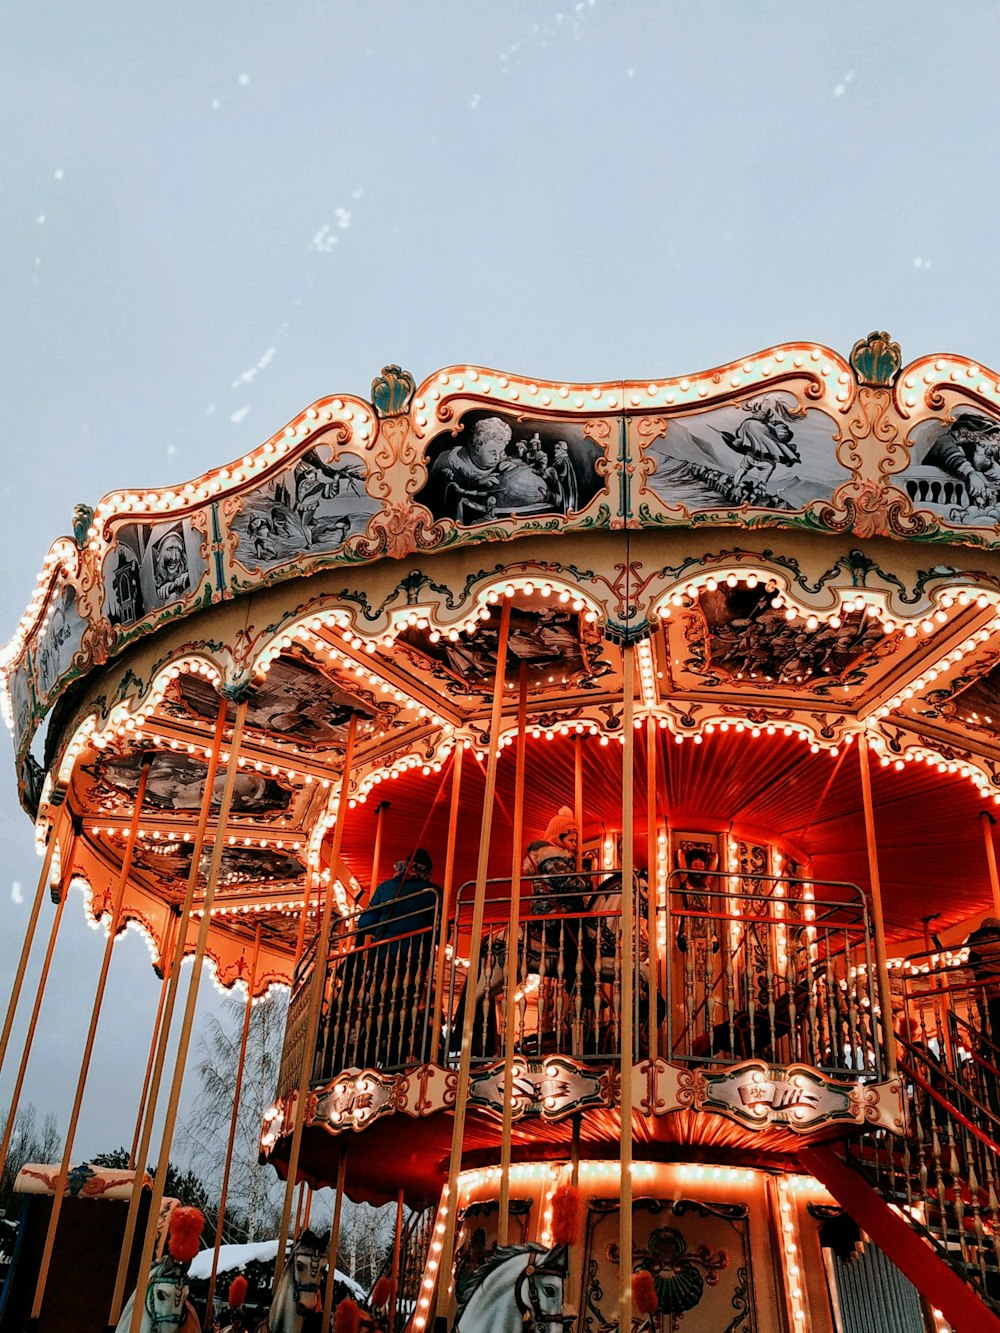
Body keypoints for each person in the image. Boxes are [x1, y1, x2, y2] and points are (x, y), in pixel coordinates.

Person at [351, 849, 441, 1066]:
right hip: (413, 962)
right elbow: (438, 932)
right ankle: (395, 1059)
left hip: (383, 958)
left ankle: (367, 1058)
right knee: (405, 1009)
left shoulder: (386, 888)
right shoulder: (433, 892)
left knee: (376, 1005)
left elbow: (366, 923)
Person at [524, 807, 595, 1052]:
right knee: (580, 938)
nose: (576, 845)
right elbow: (570, 884)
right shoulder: (552, 858)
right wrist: (585, 878)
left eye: (577, 840)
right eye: (572, 839)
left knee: (587, 930)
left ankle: (581, 982)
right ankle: (580, 985)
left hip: (561, 912)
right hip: (553, 915)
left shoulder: (558, 858)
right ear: (558, 838)